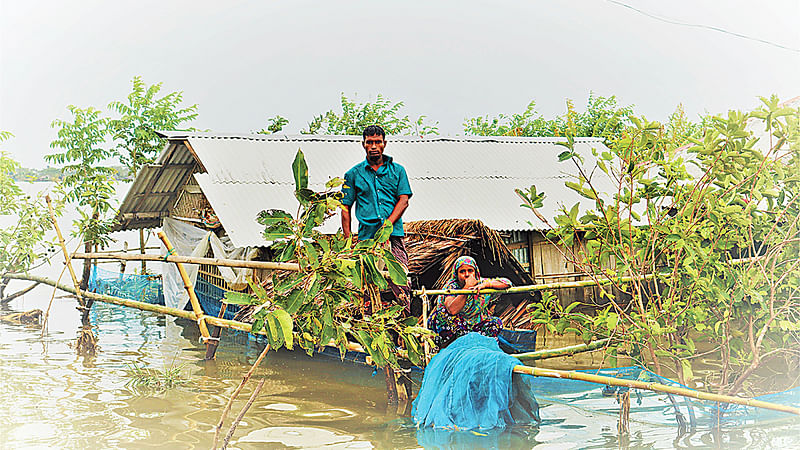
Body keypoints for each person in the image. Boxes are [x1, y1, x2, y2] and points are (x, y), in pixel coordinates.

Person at [341, 125, 413, 308]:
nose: (374, 146)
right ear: (363, 144)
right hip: (367, 239)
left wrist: (387, 225)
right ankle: (368, 325)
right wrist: (348, 240)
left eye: (377, 142)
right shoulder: (353, 174)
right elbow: (345, 207)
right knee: (366, 285)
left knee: (401, 280)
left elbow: (403, 200)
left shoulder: (398, 171)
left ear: (384, 144)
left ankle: (403, 326)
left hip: (393, 235)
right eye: (370, 142)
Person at [427, 256, 511, 348]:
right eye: (462, 271)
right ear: (456, 274)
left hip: (475, 327)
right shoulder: (451, 287)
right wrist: (467, 288)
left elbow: (507, 283)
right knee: (442, 315)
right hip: (456, 329)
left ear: (475, 272)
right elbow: (452, 310)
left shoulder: (481, 284)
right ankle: (449, 347)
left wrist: (487, 284)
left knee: (495, 322)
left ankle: (479, 345)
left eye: (470, 271)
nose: (467, 274)